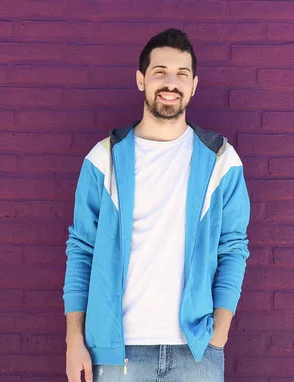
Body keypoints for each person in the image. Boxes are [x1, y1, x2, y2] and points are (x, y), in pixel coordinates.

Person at [63, 28, 251, 382]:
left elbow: (233, 248)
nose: (170, 82)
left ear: (193, 85)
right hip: (116, 352)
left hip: (195, 350)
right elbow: (81, 250)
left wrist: (219, 334)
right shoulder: (103, 160)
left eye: (181, 74)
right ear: (141, 80)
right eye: (159, 72)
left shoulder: (221, 161)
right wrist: (75, 340)